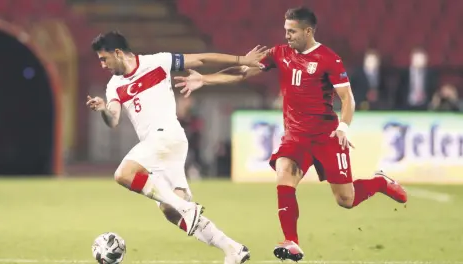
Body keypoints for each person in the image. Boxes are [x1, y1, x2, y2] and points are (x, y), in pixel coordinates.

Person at [174, 7, 408, 262]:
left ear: (308, 31)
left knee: (346, 199)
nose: (287, 36)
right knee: (284, 173)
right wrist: (205, 80)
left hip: (326, 136)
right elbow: (243, 72)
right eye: (285, 30)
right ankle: (291, 241)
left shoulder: (329, 59)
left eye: (292, 31)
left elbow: (347, 98)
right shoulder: (279, 53)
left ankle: (380, 182)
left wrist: (343, 127)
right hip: (295, 136)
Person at [86, 31, 266, 264]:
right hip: (160, 147)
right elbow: (114, 120)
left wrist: (241, 60)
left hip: (167, 136)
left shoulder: (157, 62)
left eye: (103, 58)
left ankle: (185, 207)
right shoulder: (114, 86)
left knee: (124, 174)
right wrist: (102, 109)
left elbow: (200, 59)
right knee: (170, 212)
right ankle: (232, 249)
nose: (102, 65)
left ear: (118, 53)